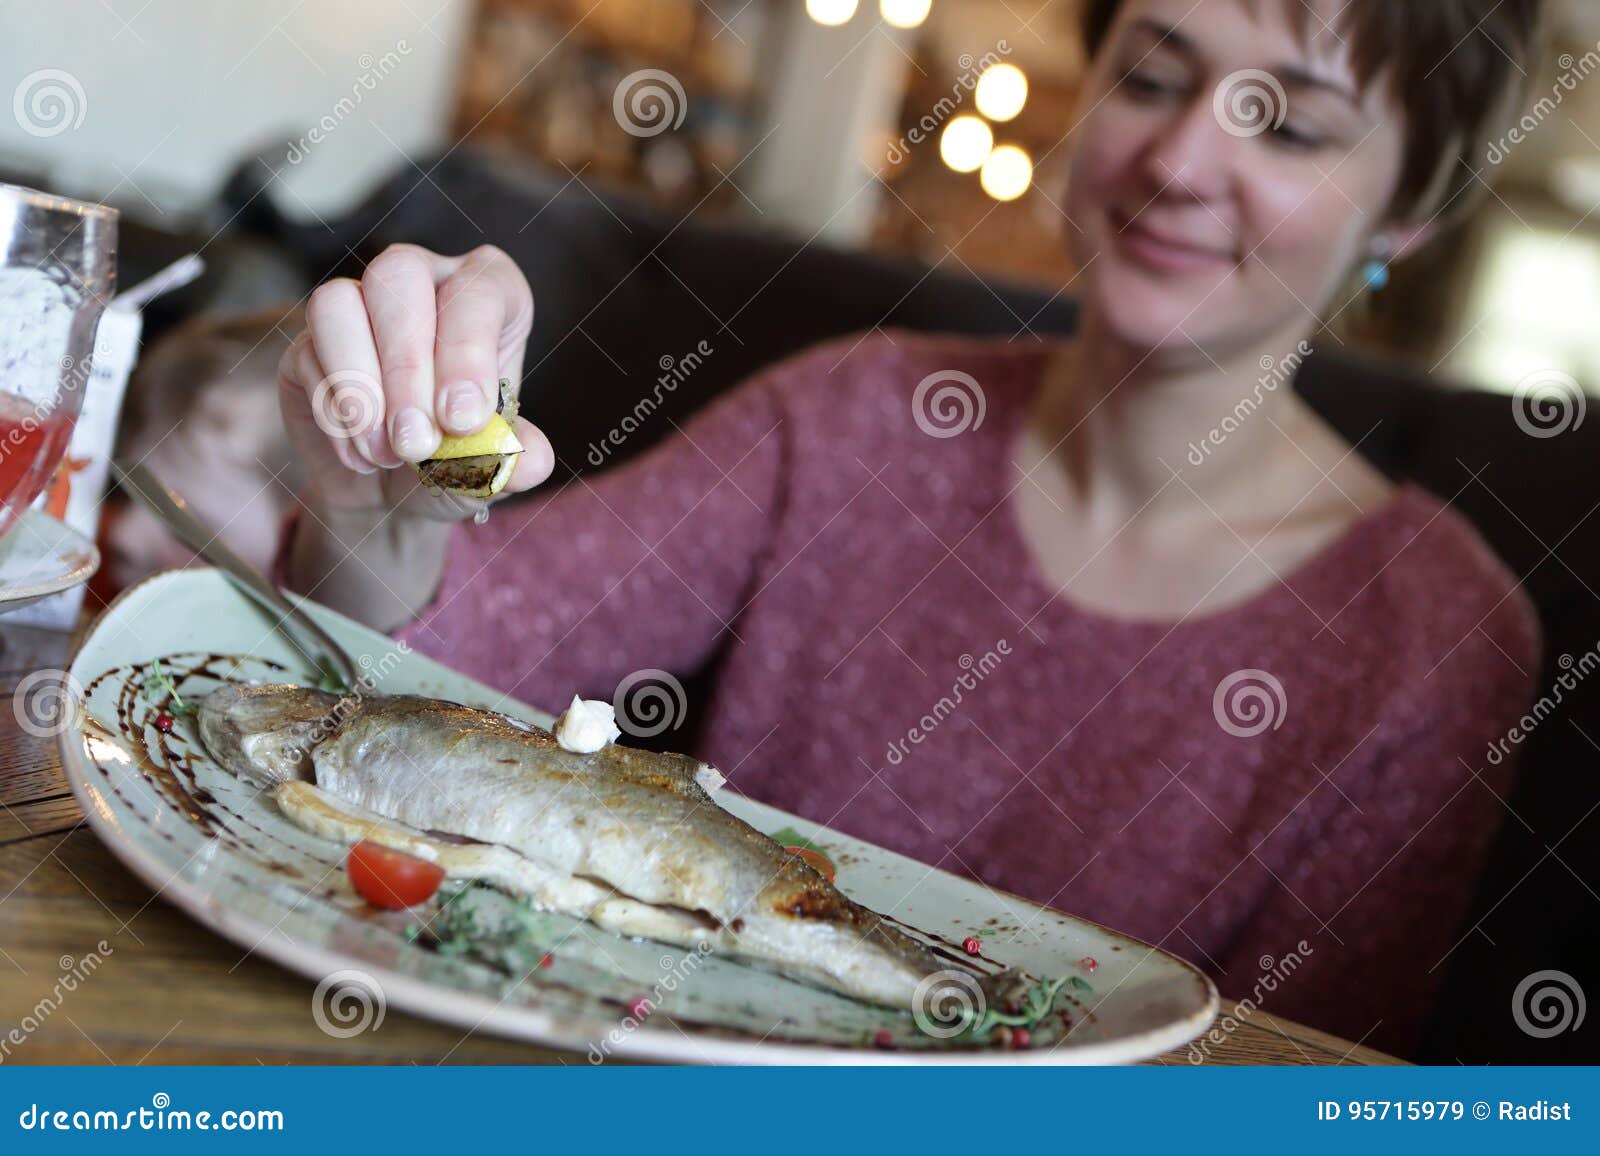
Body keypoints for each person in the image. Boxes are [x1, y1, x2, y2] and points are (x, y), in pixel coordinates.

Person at [275, 0, 1544, 1056]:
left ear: (1406, 218)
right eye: (1151, 76)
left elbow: (1282, 1085)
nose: (1180, 159)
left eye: (1295, 124)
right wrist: (371, 496)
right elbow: (430, 660)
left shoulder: (1432, 636)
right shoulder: (860, 414)